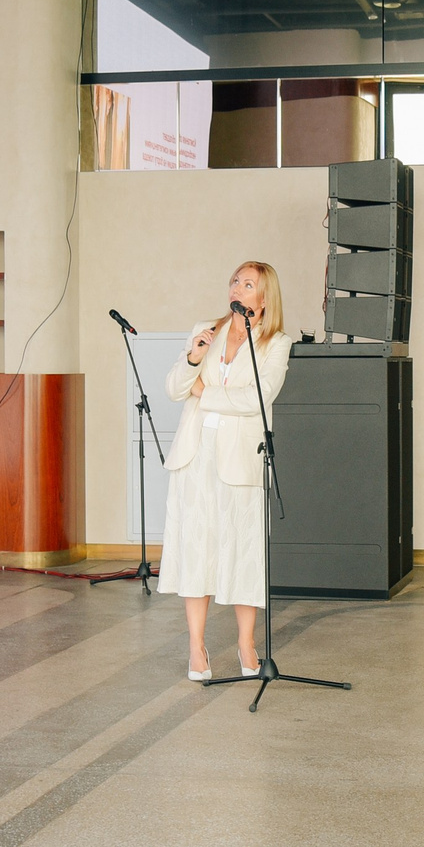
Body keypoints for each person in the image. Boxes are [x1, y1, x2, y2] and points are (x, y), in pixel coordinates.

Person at [157, 261, 293, 682]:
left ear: (264, 299)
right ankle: (196, 647)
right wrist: (194, 358)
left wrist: (204, 392)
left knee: (243, 552)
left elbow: (258, 399)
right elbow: (174, 389)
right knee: (196, 549)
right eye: (235, 280)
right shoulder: (206, 330)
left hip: (241, 460)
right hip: (195, 455)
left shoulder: (277, 343)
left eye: (248, 284)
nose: (237, 288)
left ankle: (246, 643)